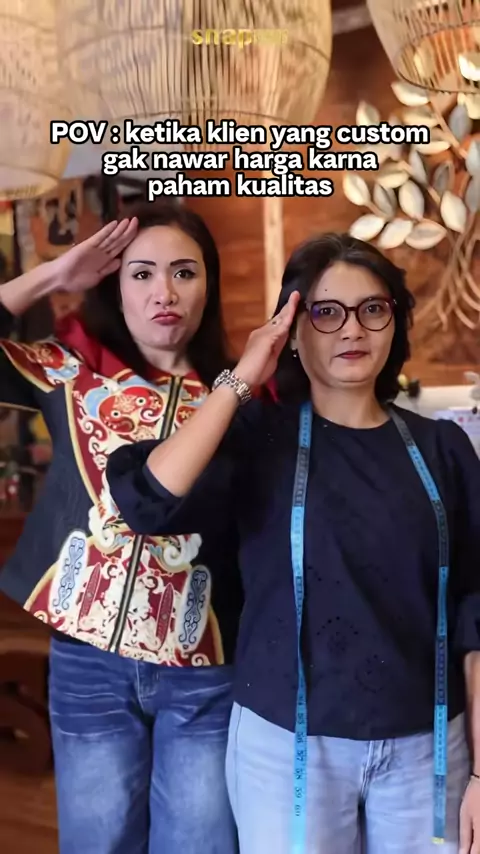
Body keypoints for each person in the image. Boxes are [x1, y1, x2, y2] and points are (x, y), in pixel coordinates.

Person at [107, 232, 480, 854]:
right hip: (285, 747)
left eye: (372, 308)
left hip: (427, 750)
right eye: (325, 312)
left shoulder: (443, 449)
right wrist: (242, 377)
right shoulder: (259, 441)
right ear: (292, 329)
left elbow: (475, 613)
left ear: (394, 321)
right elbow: (148, 500)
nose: (352, 329)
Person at [0, 203, 242, 854]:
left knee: (200, 845)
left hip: (204, 667)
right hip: (88, 662)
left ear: (209, 285)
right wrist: (54, 275)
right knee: (98, 842)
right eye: (142, 273)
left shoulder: (245, 394)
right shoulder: (69, 374)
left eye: (184, 272)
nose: (164, 292)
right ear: (115, 285)